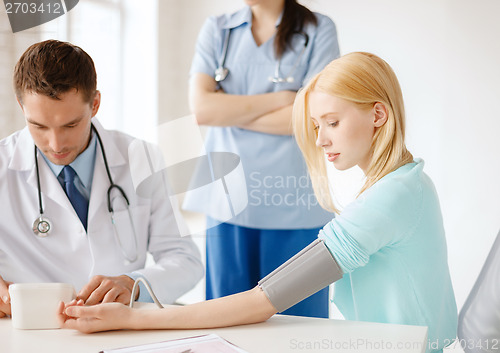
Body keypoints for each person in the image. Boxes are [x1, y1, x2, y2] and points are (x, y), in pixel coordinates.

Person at [59, 52, 457, 352]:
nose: (320, 141)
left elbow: (262, 300)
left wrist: (131, 319)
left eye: (332, 123)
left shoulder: (391, 197)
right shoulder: (407, 183)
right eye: (317, 127)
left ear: (379, 115)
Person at [0, 40, 203, 318]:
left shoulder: (141, 158)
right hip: (30, 331)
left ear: (94, 103)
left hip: (118, 327)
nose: (56, 143)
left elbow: (186, 261)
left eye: (71, 125)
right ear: (21, 106)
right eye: (39, 126)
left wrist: (134, 283)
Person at [184, 0, 339, 318]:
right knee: (224, 325)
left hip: (294, 208)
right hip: (227, 203)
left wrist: (227, 110)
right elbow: (202, 110)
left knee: (298, 331)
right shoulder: (218, 30)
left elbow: (310, 119)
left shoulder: (319, 30)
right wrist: (283, 99)